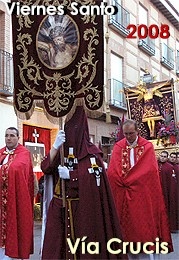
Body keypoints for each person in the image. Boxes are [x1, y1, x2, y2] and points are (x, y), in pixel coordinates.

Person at [41, 106, 126, 260]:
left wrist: (72, 175)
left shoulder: (92, 153)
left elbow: (95, 178)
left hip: (82, 208)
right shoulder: (61, 149)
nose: (70, 133)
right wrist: (55, 146)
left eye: (73, 128)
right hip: (60, 207)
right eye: (67, 129)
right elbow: (46, 167)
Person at [107, 119, 173, 259]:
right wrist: (123, 181)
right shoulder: (119, 147)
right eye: (126, 134)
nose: (129, 137)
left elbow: (149, 171)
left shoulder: (147, 146)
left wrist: (130, 181)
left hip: (142, 196)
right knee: (126, 231)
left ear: (137, 131)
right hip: (124, 195)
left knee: (144, 228)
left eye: (131, 133)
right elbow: (113, 172)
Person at [0, 127, 34, 259]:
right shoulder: (1, 153)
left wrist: (4, 169)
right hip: (1, 202)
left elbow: (17, 170)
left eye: (12, 135)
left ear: (18, 138)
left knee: (15, 227)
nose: (9, 138)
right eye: (6, 135)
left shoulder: (24, 153)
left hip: (15, 198)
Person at [158, 151, 179, 231]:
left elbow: (172, 182)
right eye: (162, 156)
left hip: (166, 191)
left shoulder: (170, 167)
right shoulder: (156, 164)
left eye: (164, 156)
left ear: (167, 158)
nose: (162, 158)